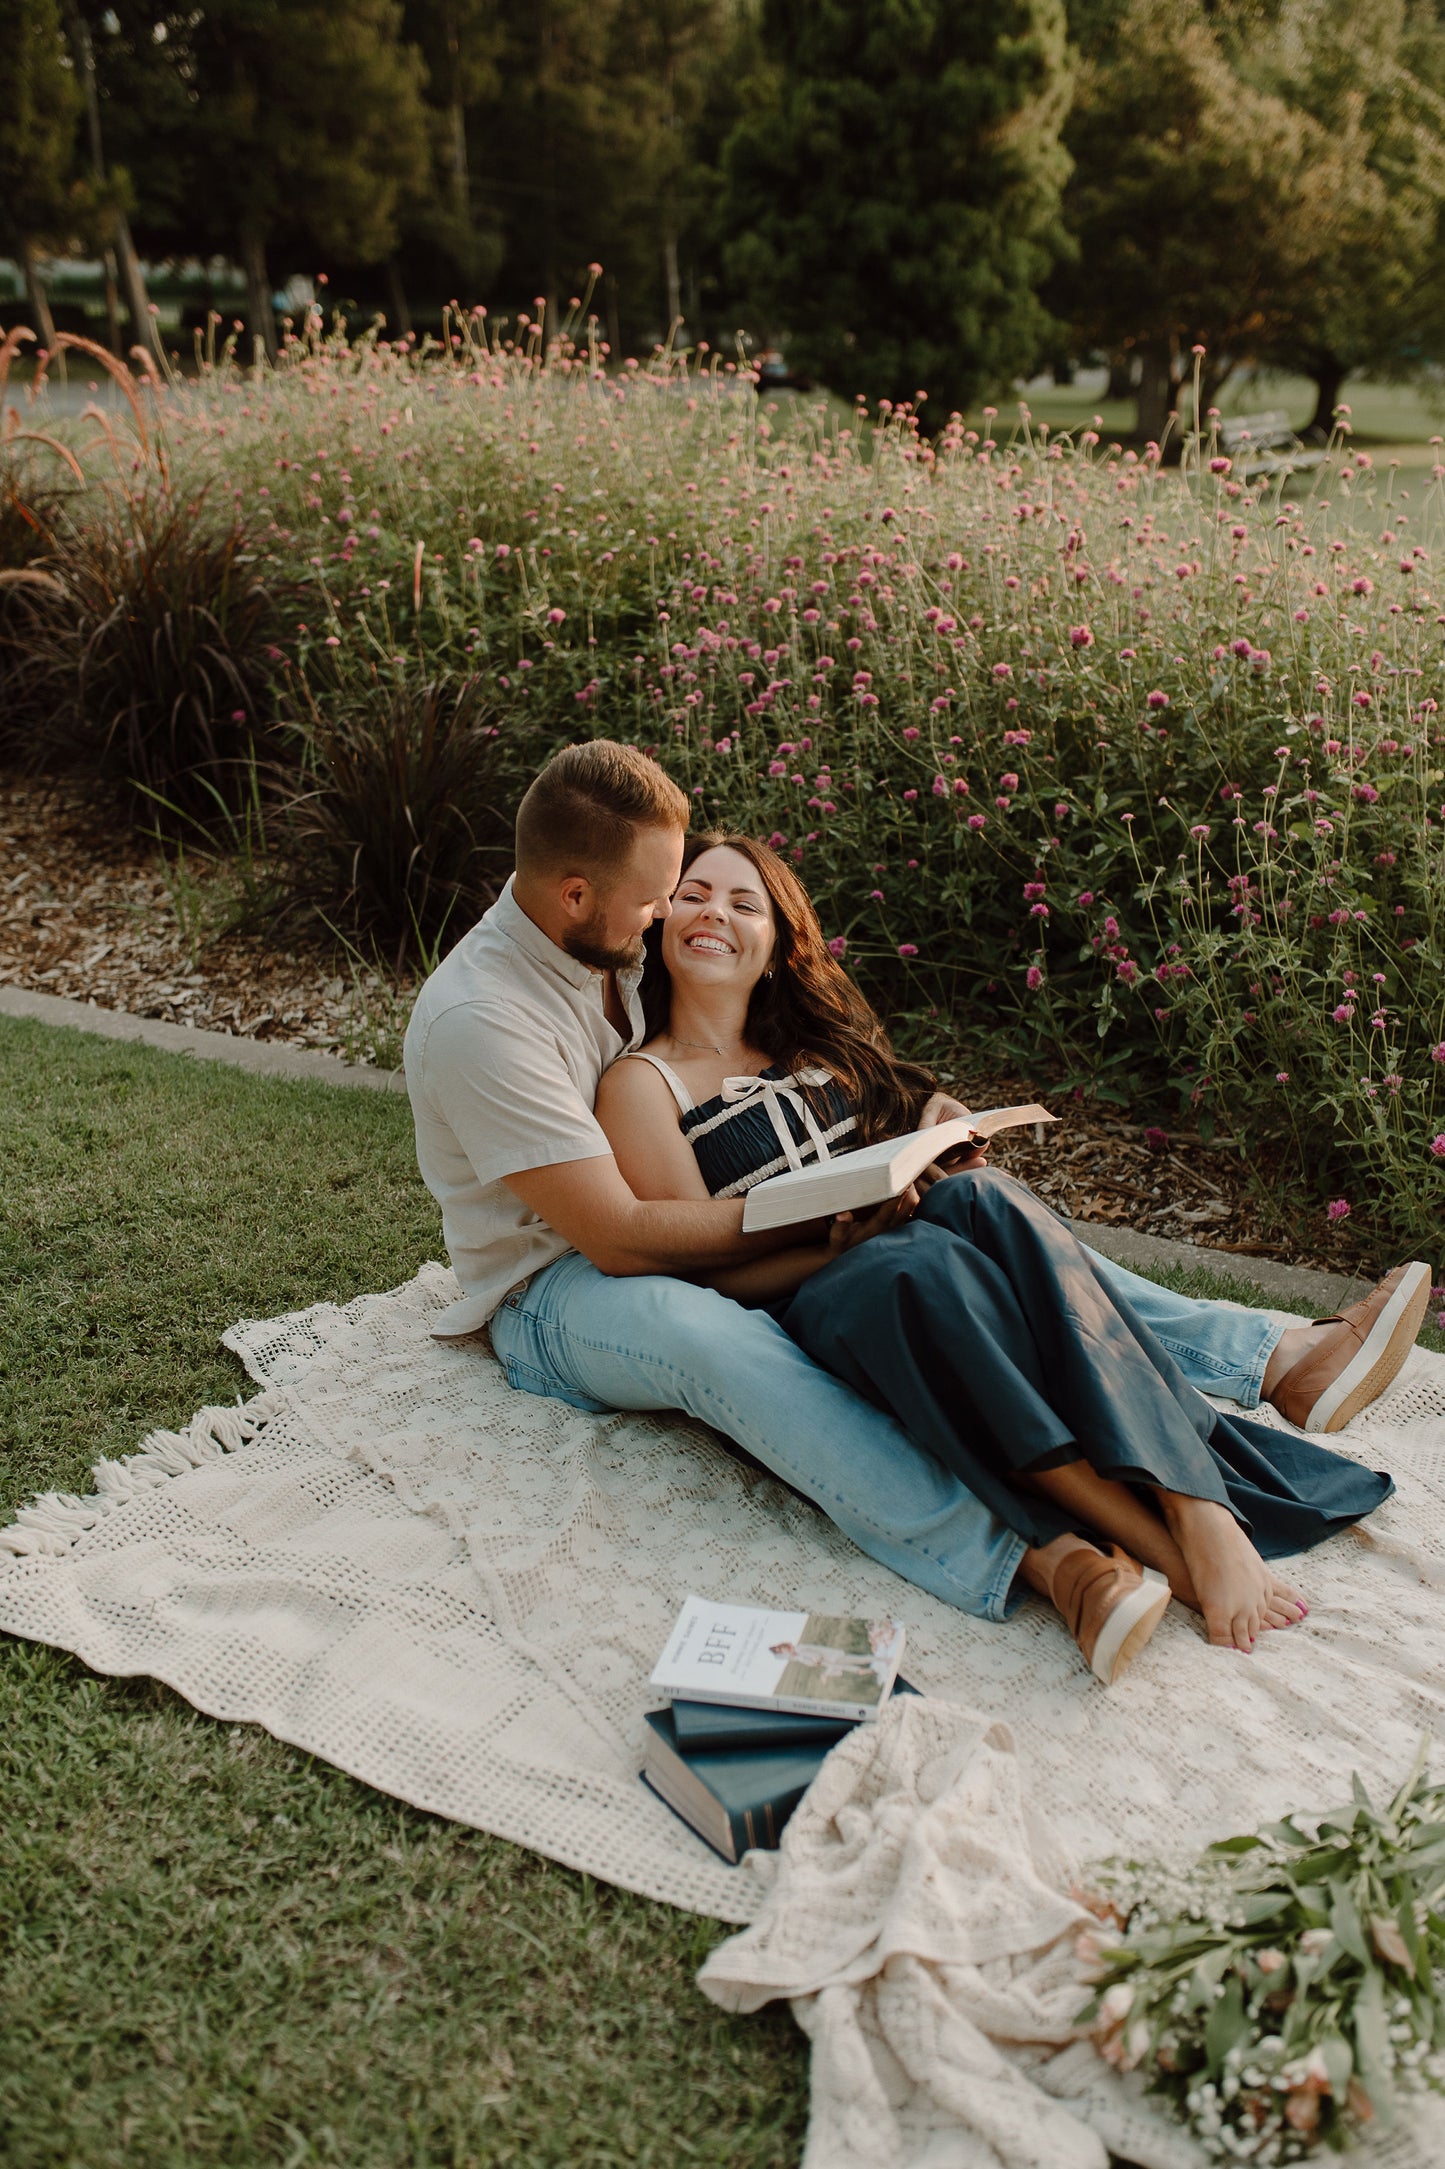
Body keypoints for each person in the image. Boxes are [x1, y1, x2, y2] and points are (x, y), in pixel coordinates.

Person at [403, 743, 1421, 1684]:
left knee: (978, 1209)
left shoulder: (605, 928)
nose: (671, 917)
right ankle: (1041, 1556)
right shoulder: (483, 1018)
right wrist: (822, 1218)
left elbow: (759, 1001)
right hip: (557, 1284)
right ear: (575, 894)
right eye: (657, 902)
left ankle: (1267, 1364)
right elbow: (622, 1239)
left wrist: (912, 1127)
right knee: (706, 1335)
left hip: (676, 1225)